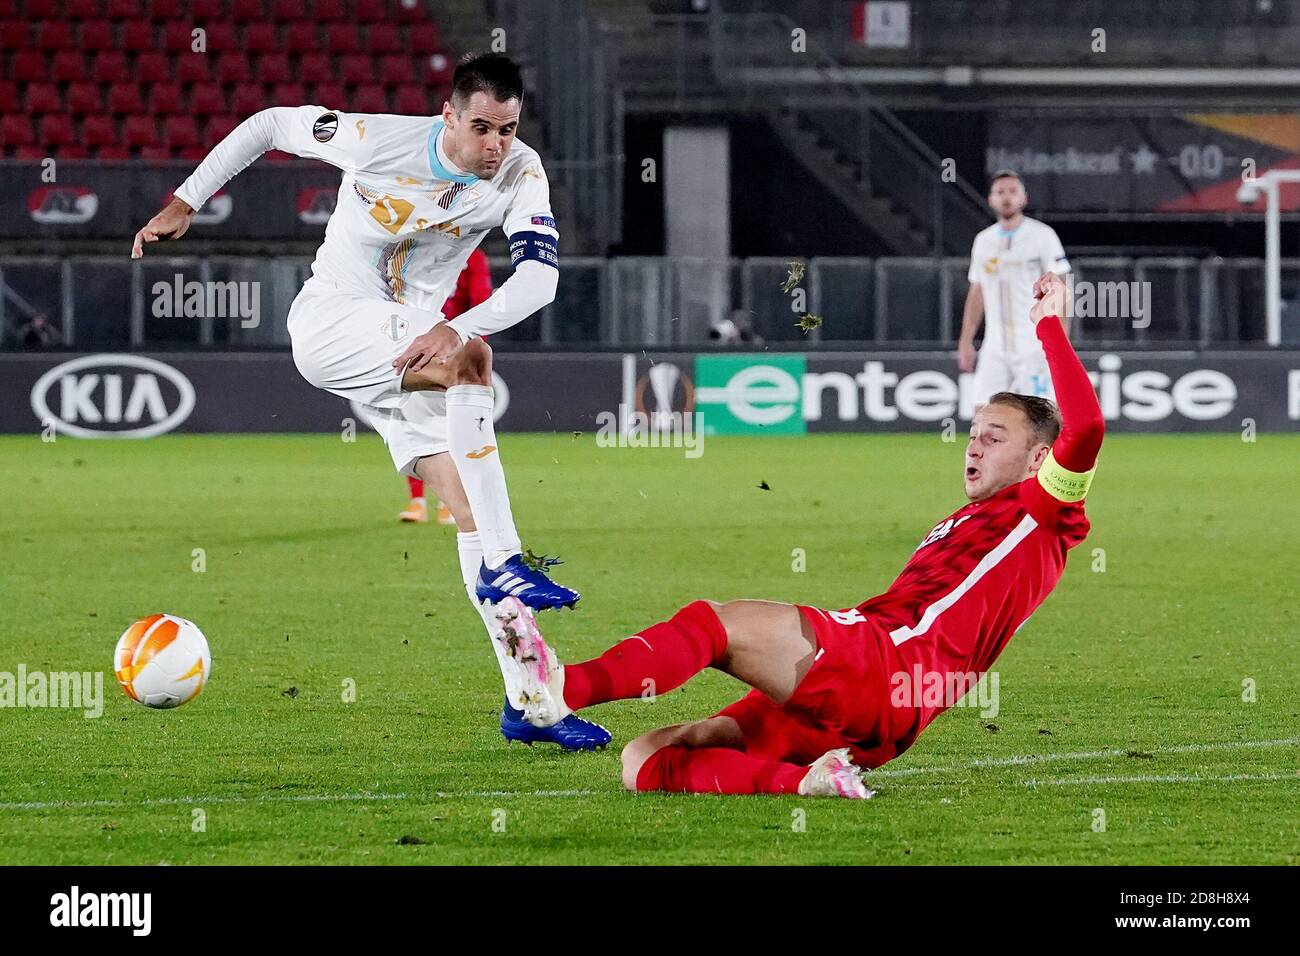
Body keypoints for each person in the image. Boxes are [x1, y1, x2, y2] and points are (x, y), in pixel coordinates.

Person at [130, 52, 609, 751]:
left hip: (408, 343)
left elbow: (540, 282)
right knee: (472, 360)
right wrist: (185, 201)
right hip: (332, 325)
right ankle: (508, 555)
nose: (495, 145)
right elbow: (269, 125)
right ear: (449, 117)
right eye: (482, 128)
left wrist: (451, 324)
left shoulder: (519, 171)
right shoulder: (375, 139)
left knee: (466, 502)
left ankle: (531, 701)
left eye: (507, 129)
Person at [493, 272, 1102, 796]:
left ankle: (560, 686)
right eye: (973, 432)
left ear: (1038, 459)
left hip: (881, 666)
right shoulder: (978, 520)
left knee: (716, 623)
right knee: (646, 758)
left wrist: (1049, 326)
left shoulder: (1043, 510)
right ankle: (811, 781)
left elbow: (1088, 427)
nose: (973, 445)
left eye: (994, 437)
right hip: (881, 710)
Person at [958, 170, 1071, 407]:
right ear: (990, 199)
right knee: (983, 412)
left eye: (1012, 191)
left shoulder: (1042, 236)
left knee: (1039, 414)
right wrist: (966, 340)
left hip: (1033, 342)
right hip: (995, 343)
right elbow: (977, 292)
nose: (1006, 197)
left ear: (1024, 198)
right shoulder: (983, 241)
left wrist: (1062, 341)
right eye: (1000, 192)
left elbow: (1060, 286)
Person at [400, 249, 494, 526]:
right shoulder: (460, 253)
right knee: (426, 423)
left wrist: (471, 350)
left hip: (443, 349)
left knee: (435, 425)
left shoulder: (468, 256)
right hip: (424, 347)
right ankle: (422, 502)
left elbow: (479, 301)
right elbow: (482, 303)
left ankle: (443, 502)